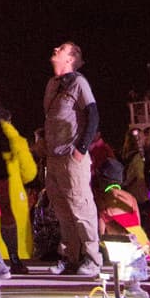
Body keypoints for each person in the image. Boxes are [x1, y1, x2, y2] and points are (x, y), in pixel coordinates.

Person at [43, 43, 102, 277]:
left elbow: (93, 114)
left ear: (71, 58)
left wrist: (81, 148)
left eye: (62, 48)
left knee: (81, 207)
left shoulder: (79, 83)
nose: (55, 48)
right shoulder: (52, 84)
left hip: (71, 157)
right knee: (62, 209)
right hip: (54, 156)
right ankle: (70, 257)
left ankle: (93, 258)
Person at [0, 98, 36, 271]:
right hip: (14, 196)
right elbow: (30, 173)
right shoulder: (18, 141)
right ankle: (14, 259)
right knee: (9, 220)